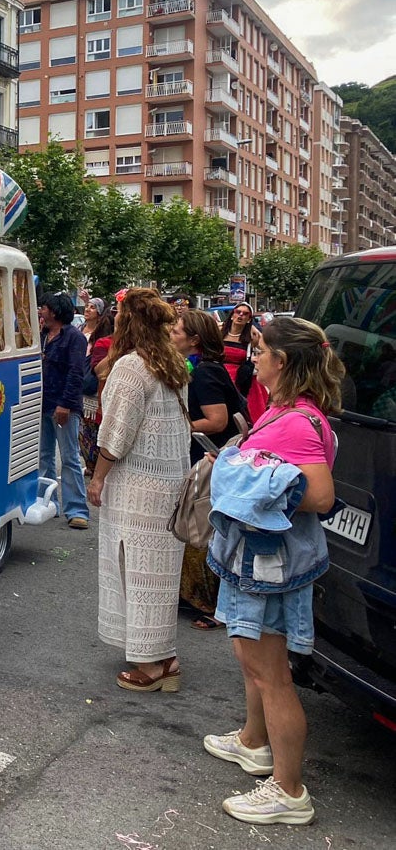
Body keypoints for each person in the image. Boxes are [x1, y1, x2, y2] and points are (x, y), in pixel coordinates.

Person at [202, 317, 342, 826]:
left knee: (271, 673)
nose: (253, 357)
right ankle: (253, 742)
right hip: (263, 560)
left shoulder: (297, 421)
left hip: (271, 565)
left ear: (282, 361)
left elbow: (321, 495)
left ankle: (288, 790)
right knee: (252, 660)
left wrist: (253, 478)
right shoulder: (287, 411)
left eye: (260, 351)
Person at [88, 288, 191, 692]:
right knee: (160, 572)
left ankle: (151, 665)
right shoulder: (173, 363)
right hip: (169, 479)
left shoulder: (132, 367)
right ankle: (165, 655)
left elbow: (115, 434)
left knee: (135, 567)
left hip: (137, 484)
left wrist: (98, 478)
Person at [172, 309, 246, 631]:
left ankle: (212, 604)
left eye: (176, 330)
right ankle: (197, 597)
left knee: (202, 528)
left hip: (213, 460)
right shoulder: (200, 368)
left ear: (194, 340)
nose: (171, 333)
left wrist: (178, 425)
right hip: (206, 458)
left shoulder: (205, 372)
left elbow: (217, 420)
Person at [38, 294, 90, 529]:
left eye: (45, 307)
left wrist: (66, 404)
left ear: (55, 312)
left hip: (63, 405)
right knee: (43, 456)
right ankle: (48, 503)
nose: (41, 310)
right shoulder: (41, 336)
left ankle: (77, 508)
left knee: (69, 457)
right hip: (43, 403)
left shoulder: (74, 338)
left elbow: (76, 373)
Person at [79, 298, 115, 477]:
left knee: (93, 430)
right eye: (87, 306)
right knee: (88, 430)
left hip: (94, 389)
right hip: (85, 384)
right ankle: (92, 464)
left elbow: (100, 370)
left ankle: (95, 465)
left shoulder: (102, 339)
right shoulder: (80, 330)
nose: (88, 309)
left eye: (92, 307)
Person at [221, 302, 270, 423]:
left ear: (249, 319)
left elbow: (267, 348)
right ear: (232, 315)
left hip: (242, 380)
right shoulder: (219, 331)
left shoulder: (252, 337)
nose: (240, 315)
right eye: (238, 312)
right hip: (220, 376)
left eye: (245, 314)